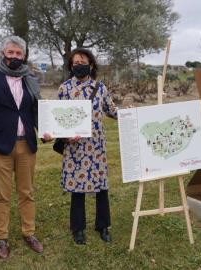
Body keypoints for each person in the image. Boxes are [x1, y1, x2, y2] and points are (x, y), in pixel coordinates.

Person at [0, 35, 45, 259]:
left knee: (27, 192)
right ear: (3, 54)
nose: (14, 57)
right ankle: (1, 238)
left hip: (26, 146)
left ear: (24, 56)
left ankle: (28, 233)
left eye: (19, 53)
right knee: (2, 196)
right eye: (10, 52)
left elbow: (37, 110)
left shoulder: (30, 79)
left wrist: (45, 131)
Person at [57, 48, 118, 245]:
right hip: (75, 148)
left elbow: (111, 110)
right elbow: (57, 119)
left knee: (101, 188)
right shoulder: (64, 89)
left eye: (83, 62)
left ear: (91, 65)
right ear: (71, 66)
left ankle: (103, 226)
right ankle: (78, 229)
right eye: (75, 63)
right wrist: (65, 137)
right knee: (77, 189)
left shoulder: (100, 88)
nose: (79, 66)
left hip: (96, 147)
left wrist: (131, 114)